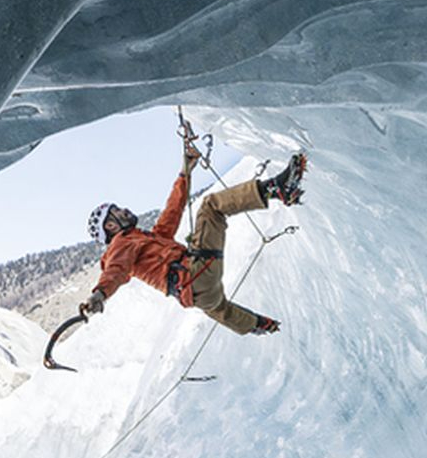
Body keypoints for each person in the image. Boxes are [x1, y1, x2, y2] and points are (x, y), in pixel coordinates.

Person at [84, 143, 307, 336]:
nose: (124, 210)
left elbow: (172, 211)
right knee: (210, 206)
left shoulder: (145, 240)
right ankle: (276, 189)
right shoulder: (120, 244)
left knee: (218, 306)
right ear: (111, 226)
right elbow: (115, 270)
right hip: (194, 275)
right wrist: (101, 293)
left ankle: (257, 325)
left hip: (197, 292)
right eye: (117, 211)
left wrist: (185, 173)